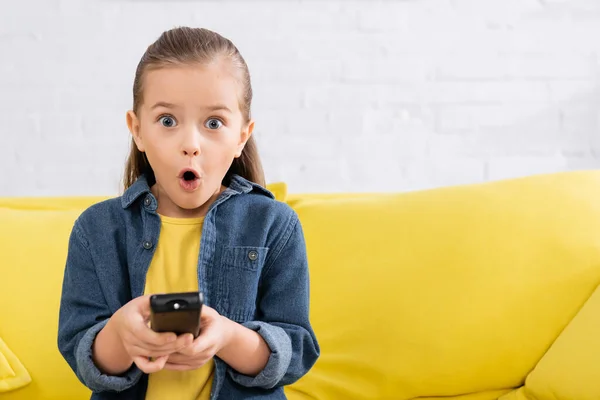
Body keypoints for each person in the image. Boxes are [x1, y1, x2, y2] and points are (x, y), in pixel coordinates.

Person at [57, 26, 320, 400]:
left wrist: (228, 337)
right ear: (138, 130)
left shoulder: (274, 224)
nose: (190, 145)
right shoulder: (96, 229)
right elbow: (83, 356)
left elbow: (296, 351)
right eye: (167, 121)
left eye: (214, 123)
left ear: (242, 136)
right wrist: (120, 335)